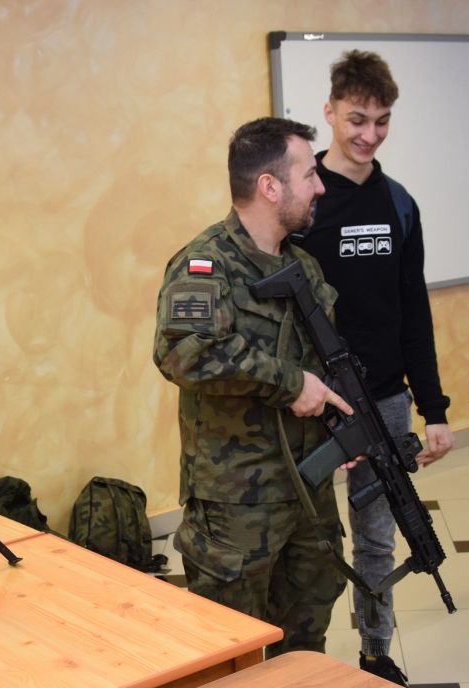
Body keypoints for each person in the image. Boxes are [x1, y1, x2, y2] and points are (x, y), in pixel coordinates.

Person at [153, 117, 352, 657]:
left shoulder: (304, 268)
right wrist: (289, 384)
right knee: (231, 651)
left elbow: (324, 366)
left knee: (305, 639)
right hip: (237, 501)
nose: (320, 186)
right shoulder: (204, 266)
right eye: (309, 175)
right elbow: (183, 353)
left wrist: (343, 427)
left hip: (308, 491)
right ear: (270, 186)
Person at [297, 50, 453, 687]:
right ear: (330, 112)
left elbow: (414, 311)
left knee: (379, 537)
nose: (369, 134)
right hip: (309, 401)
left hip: (384, 397)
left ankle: (375, 653)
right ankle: (295, 657)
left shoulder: (399, 203)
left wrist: (434, 409)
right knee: (304, 538)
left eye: (382, 121)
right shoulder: (304, 198)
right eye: (357, 119)